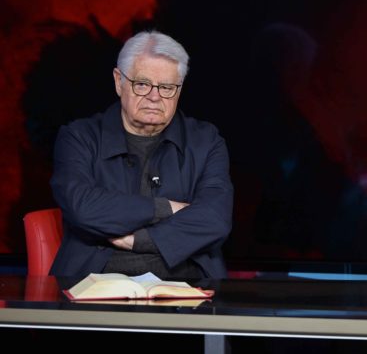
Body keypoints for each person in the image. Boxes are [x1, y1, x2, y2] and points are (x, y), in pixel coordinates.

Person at [49, 31, 233, 279]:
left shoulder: (206, 141)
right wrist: (165, 208)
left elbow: (215, 218)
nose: (154, 97)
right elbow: (82, 207)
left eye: (166, 87)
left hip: (187, 285)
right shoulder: (79, 137)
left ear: (179, 90)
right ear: (119, 82)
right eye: (142, 84)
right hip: (94, 284)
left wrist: (139, 240)